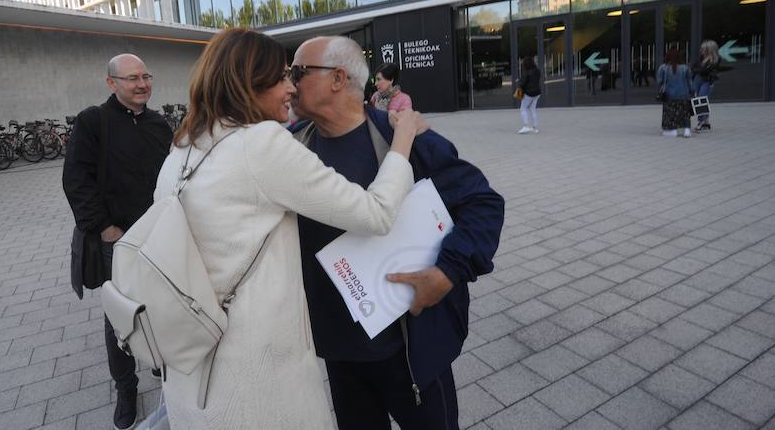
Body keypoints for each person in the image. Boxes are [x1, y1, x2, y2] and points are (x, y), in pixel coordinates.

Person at [155, 28, 424, 429]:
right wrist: (402, 140)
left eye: (295, 75)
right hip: (256, 366)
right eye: (283, 77)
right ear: (251, 83)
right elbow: (377, 213)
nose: (290, 88)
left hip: (194, 357)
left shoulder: (183, 148)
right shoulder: (261, 143)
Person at [290, 36, 505, 430]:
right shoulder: (291, 148)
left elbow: (483, 203)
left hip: (410, 351)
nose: (289, 83)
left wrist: (446, 273)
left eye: (299, 72)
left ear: (338, 78)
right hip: (339, 354)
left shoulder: (404, 138)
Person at [62, 54, 173, 430]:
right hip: (118, 242)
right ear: (112, 83)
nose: (142, 84)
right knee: (121, 320)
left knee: (162, 307)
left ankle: (163, 367)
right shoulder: (94, 122)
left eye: (146, 76)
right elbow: (76, 180)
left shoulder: (160, 125)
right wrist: (106, 228)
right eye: (131, 79)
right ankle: (126, 389)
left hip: (159, 238)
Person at [657, 48, 693, 138]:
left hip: (669, 96)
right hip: (684, 95)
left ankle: (672, 130)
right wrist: (692, 91)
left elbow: (659, 81)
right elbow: (690, 82)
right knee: (685, 113)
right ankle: (687, 130)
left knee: (670, 113)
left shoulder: (663, 67)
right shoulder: (685, 68)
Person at [691, 40, 720, 132]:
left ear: (709, 50)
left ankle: (700, 122)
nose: (701, 51)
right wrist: (699, 70)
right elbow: (693, 67)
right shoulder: (701, 58)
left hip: (707, 81)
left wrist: (699, 70)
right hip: (697, 79)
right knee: (698, 99)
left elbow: (706, 71)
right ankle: (706, 121)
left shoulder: (716, 59)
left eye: (703, 49)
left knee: (701, 99)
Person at [517, 56, 541, 134]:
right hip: (537, 93)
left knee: (523, 108)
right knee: (532, 109)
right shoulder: (537, 71)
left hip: (529, 93)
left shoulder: (526, 72)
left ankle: (526, 126)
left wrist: (519, 82)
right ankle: (535, 128)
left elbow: (523, 83)